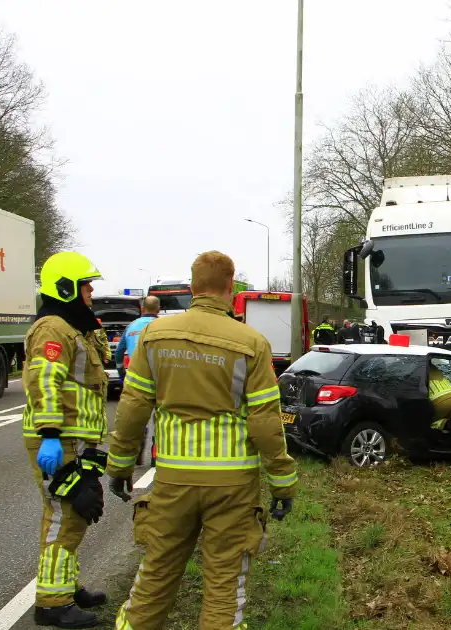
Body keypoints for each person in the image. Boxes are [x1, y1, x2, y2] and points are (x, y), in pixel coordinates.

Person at [105, 251, 299, 630]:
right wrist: (282, 481)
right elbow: (264, 422)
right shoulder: (251, 343)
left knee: (155, 575)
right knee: (225, 587)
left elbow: (133, 407)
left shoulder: (154, 336)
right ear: (231, 288)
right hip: (233, 485)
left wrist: (120, 465)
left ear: (193, 287)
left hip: (174, 480)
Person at [23, 251, 111, 628]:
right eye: (85, 284)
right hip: (59, 437)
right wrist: (50, 436)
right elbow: (44, 381)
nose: (91, 290)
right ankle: (52, 604)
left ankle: (66, 585)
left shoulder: (75, 326)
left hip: (76, 437)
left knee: (79, 512)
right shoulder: (53, 329)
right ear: (66, 287)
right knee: (66, 514)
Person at [113, 296, 160, 466]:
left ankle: (137, 452)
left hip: (136, 378)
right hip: (159, 377)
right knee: (160, 416)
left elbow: (119, 352)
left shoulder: (131, 326)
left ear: (142, 309)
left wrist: (121, 373)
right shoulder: (163, 326)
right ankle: (156, 453)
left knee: (136, 417)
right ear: (159, 309)